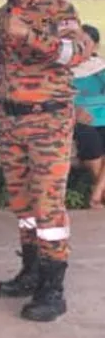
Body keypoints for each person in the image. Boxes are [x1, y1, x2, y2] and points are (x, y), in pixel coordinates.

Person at [0, 0, 89, 322]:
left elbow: (75, 54)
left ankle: (53, 288)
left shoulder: (61, 9)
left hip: (48, 121)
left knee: (47, 207)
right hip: (12, 121)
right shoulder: (3, 13)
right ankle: (29, 271)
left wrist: (30, 35)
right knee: (23, 206)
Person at [72, 25, 105, 208]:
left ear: (95, 46)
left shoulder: (101, 68)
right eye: (77, 43)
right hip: (81, 119)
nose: (81, 47)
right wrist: (74, 111)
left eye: (86, 43)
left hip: (103, 115)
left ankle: (97, 193)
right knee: (89, 139)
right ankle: (99, 194)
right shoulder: (63, 70)